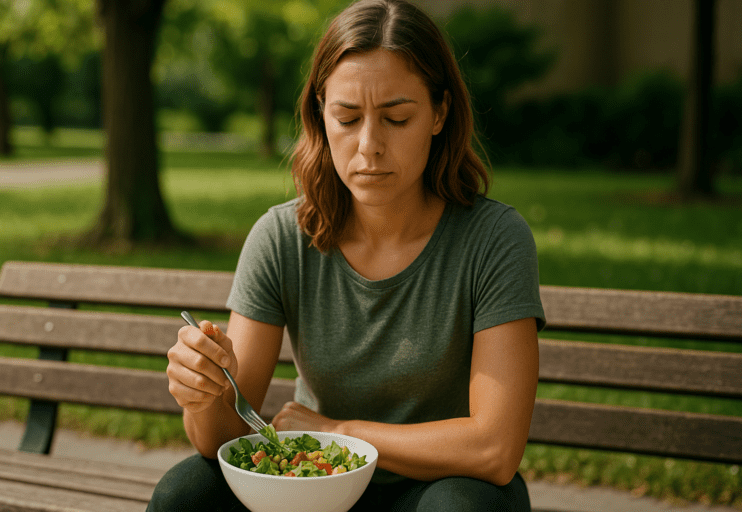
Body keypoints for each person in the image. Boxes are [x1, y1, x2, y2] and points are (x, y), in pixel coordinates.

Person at [148, 0, 545, 510]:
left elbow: (493, 449)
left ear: (440, 113)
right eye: (348, 117)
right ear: (321, 114)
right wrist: (204, 396)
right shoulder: (281, 237)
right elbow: (219, 438)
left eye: (396, 119)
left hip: (443, 484)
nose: (369, 145)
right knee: (183, 495)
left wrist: (338, 432)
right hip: (316, 485)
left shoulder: (494, 239)